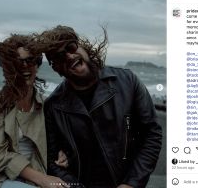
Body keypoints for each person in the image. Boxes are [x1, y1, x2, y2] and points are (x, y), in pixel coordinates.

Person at [39, 25, 162, 188]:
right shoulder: (53, 106)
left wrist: (131, 183)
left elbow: (151, 134)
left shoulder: (128, 82)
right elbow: (51, 161)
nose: (69, 56)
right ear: (56, 68)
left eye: (71, 47)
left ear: (82, 47)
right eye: (60, 56)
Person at [0, 34, 69, 188]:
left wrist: (62, 154)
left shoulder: (45, 104)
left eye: (30, 60)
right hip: (2, 180)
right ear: (8, 67)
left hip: (39, 174)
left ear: (37, 63)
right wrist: (42, 179)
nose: (25, 66)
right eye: (18, 62)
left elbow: (55, 141)